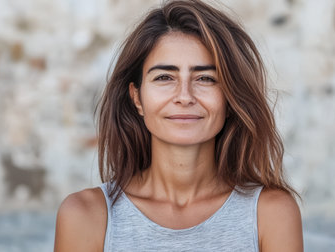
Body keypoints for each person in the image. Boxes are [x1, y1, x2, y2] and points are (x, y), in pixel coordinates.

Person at [54, 0, 303, 251]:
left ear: (230, 98)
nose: (185, 96)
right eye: (164, 77)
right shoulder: (85, 216)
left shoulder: (271, 214)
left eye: (206, 78)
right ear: (137, 97)